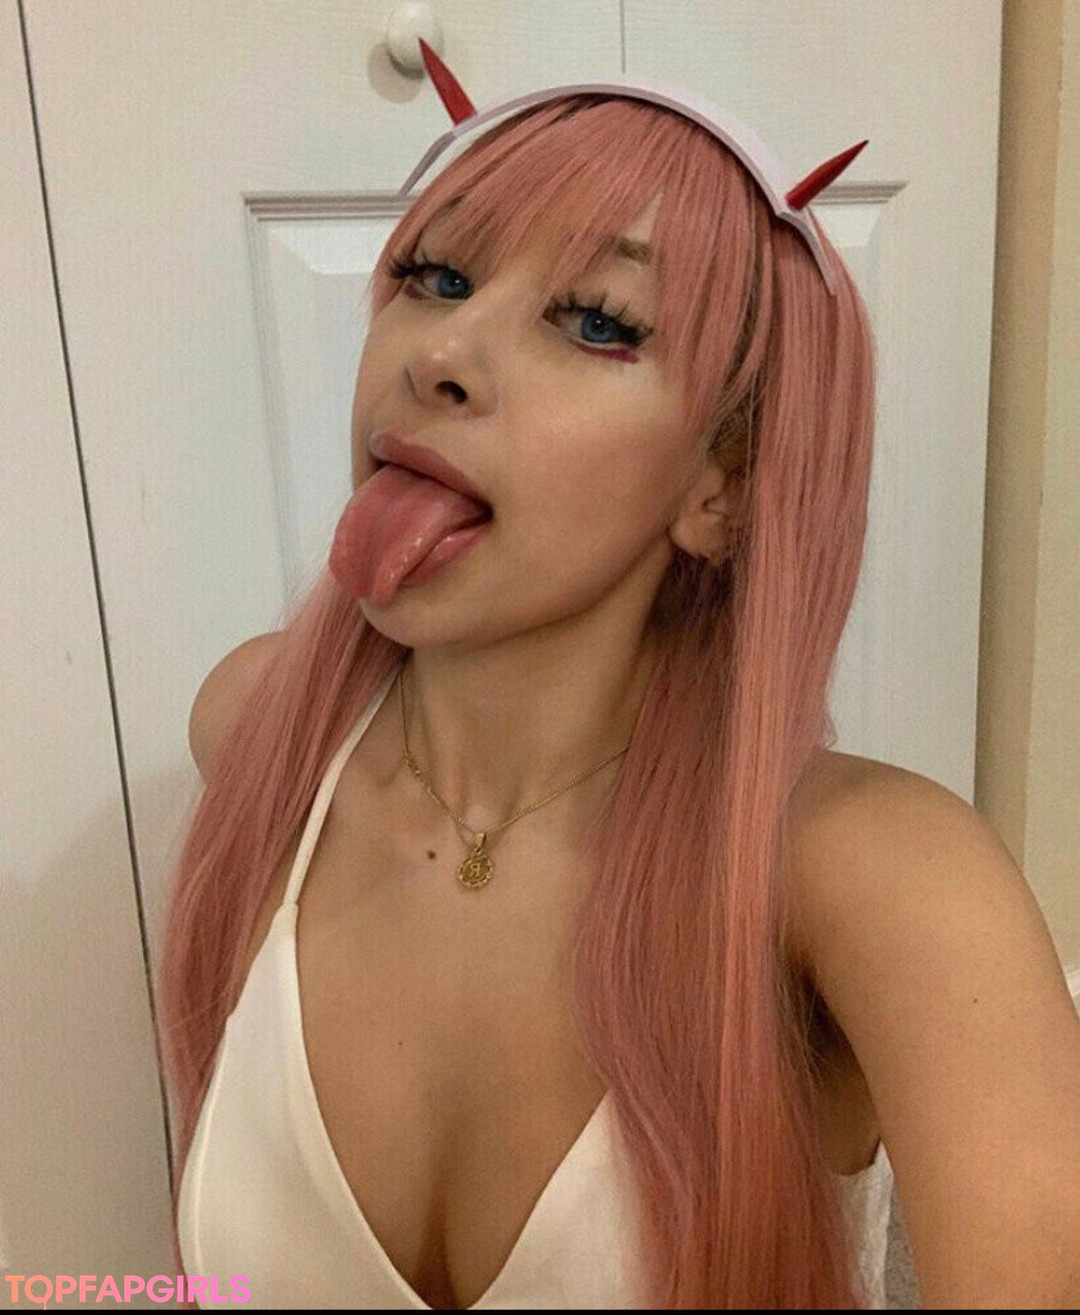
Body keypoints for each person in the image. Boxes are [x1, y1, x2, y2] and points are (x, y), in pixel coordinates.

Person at [159, 83, 1077, 1310]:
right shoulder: (255, 730)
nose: (438, 355)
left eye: (597, 321)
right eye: (436, 277)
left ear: (722, 485)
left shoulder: (875, 883)